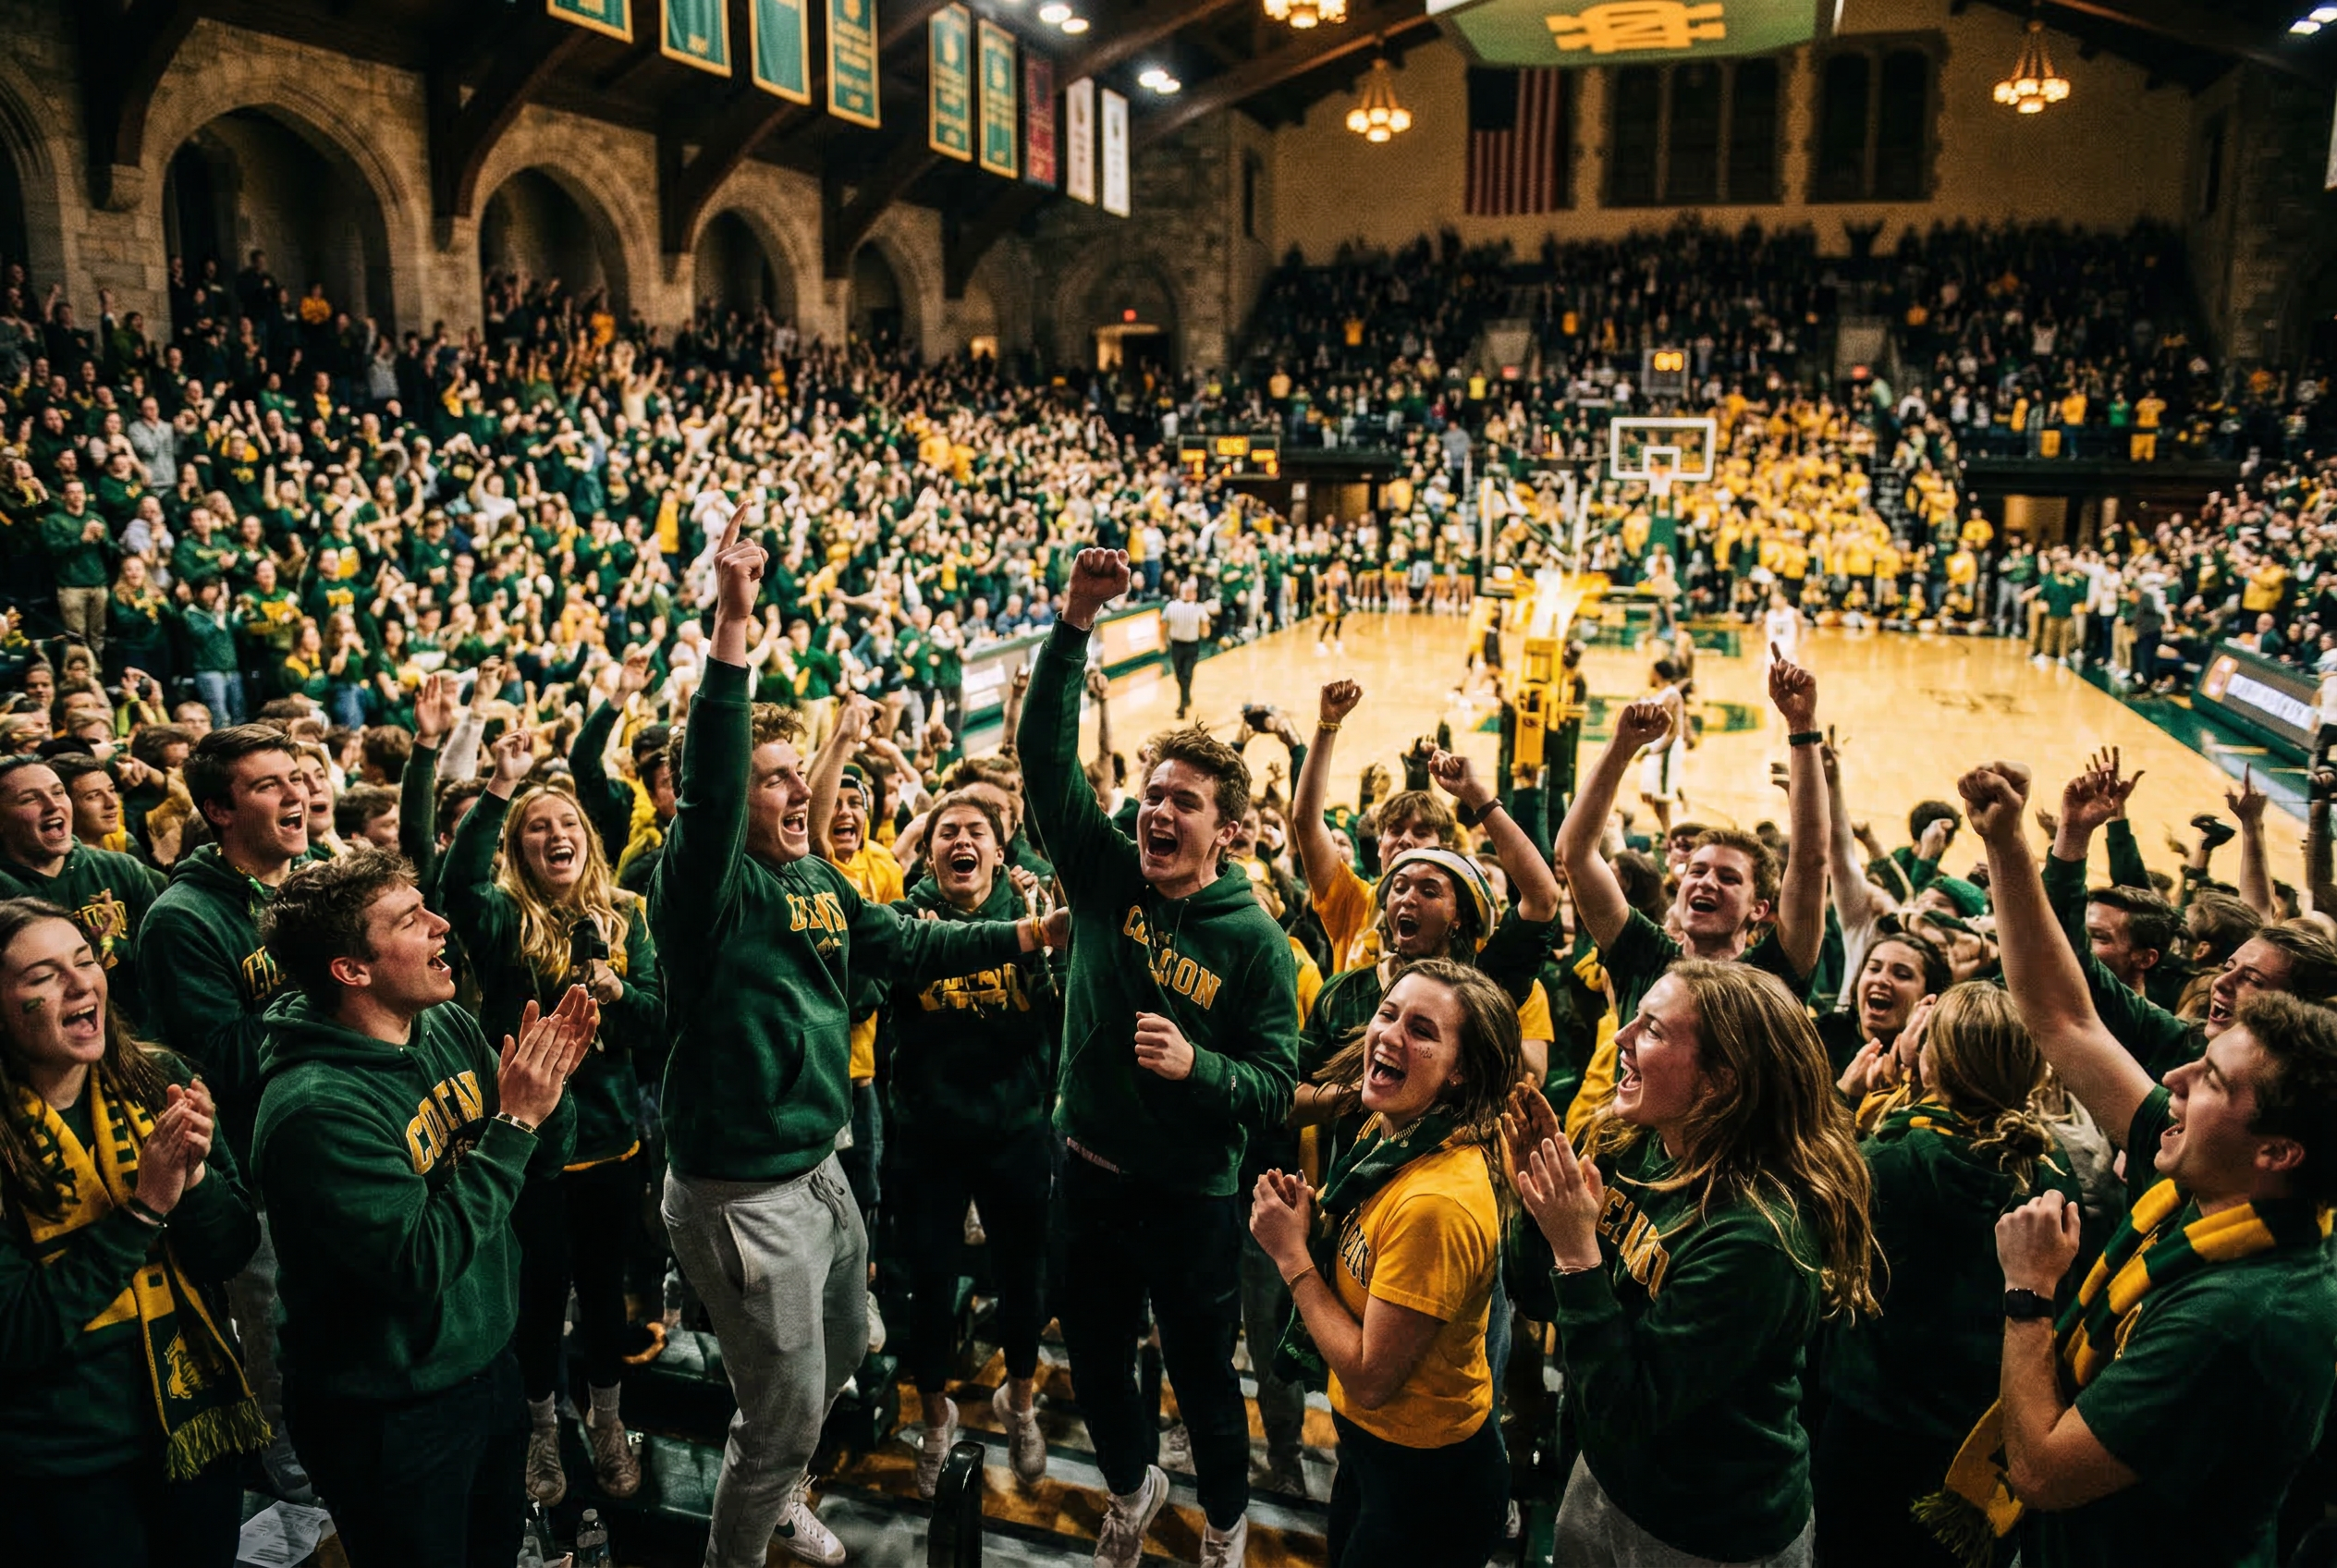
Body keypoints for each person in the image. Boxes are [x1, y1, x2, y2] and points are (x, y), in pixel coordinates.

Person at [652, 533, 1062, 1568]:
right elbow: (709, 780)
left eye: (804, 776)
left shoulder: (816, 881)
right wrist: (734, 620)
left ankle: (782, 1464)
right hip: (741, 1190)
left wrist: (1026, 934)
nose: (805, 796)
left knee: (844, 1350)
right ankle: (743, 1540)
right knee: (783, 1416)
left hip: (816, 1162)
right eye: (777, 779)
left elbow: (907, 942)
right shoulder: (705, 888)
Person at [1947, 759, 2337, 1568]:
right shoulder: (2218, 1177)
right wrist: (2009, 843)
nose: (2174, 1077)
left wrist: (2028, 1296)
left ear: (2278, 1151)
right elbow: (2061, 1016)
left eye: (2212, 1079)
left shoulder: (2245, 1317)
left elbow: (2044, 1471)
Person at [1018, 546, 1300, 1568]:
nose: (1158, 810)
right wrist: (1072, 622)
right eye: (1152, 792)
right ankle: (1133, 1488)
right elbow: (1043, 766)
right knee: (1093, 1365)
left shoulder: (1256, 942)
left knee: (1202, 1377)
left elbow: (1274, 1086)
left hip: (1188, 1196)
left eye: (1184, 801)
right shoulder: (1101, 874)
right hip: (1083, 1172)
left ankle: (1224, 1525)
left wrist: (1201, 1069)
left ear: (1224, 829)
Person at [252, 849, 595, 1568]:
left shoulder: (442, 1028)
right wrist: (516, 1124)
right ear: (353, 969)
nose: (442, 924)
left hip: (482, 1366)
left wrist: (548, 1095)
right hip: (388, 1410)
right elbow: (418, 1262)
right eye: (412, 919)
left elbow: (537, 1167)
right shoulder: (315, 1107)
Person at [1507, 961, 1878, 1568]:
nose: (1622, 1039)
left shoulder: (1757, 1239)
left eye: (1652, 1030)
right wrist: (1539, 1205)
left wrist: (1577, 1253)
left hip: (1706, 1530)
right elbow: (1538, 1296)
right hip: (1607, 1476)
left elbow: (1629, 1410)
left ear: (1721, 1081)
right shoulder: (1642, 1146)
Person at [0, 898, 265, 1568]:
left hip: (193, 1429)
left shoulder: (158, 1077)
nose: (80, 983)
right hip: (62, 1462)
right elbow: (15, 1330)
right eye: (43, 977)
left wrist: (197, 1180)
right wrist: (144, 1209)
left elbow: (230, 1249)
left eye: (85, 961)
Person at [443, 729, 666, 1507]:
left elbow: (656, 1021)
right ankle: (544, 1427)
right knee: (539, 1296)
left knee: (605, 1296)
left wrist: (619, 996)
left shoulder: (627, 917)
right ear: (516, 847)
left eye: (566, 823)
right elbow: (458, 885)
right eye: (536, 827)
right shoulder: (503, 920)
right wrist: (500, 786)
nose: (555, 834)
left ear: (589, 840)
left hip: (609, 1141)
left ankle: (607, 1423)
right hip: (530, 1148)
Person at [1249, 960, 1521, 1568]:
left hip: (1429, 1484)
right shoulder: (1394, 1127)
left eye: (1423, 1030)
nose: (1390, 1035)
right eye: (1388, 1013)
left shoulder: (1437, 1203)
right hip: (1376, 1452)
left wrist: (1292, 1256)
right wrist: (1315, 1225)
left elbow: (1371, 1378)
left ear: (1461, 1074)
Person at [1817, 982, 2082, 1568]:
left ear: (1933, 1057)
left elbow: (1807, 1200)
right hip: (1978, 1436)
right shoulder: (2051, 1170)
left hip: (1870, 1422)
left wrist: (1847, 1099)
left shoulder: (1889, 1159)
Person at [133, 723, 312, 1501]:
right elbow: (226, 1061)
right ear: (217, 810)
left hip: (333, 1148)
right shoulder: (182, 918)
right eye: (269, 784)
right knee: (277, 1336)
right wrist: (331, 987)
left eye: (297, 775)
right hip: (258, 1173)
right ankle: (298, 1489)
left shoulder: (309, 884)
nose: (296, 792)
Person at [888, 790, 1060, 1496]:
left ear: (998, 849)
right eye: (946, 832)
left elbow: (1057, 1013)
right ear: (930, 853)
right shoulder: (905, 918)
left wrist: (1048, 945)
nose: (961, 841)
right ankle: (936, 1419)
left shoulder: (1031, 915)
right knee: (927, 1284)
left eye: (975, 833)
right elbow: (869, 994)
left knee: (1024, 1281)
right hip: (929, 1137)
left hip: (1016, 1131)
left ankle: (1017, 1402)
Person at [0, 756, 163, 1028]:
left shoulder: (121, 869)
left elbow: (164, 973)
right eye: (30, 799)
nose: (53, 806)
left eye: (58, 792)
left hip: (142, 1043)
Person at [1164, 578, 1214, 721]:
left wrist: (1205, 631)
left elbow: (1205, 624)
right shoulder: (1172, 606)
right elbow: (1163, 623)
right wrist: (1163, 640)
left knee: (1187, 674)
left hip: (1192, 645)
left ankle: (1182, 704)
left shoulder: (1199, 608)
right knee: (1179, 675)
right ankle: (1186, 696)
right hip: (1177, 645)